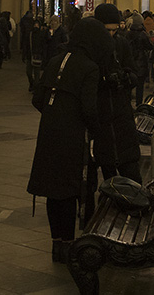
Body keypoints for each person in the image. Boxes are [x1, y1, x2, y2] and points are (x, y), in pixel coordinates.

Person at [27, 16, 102, 263]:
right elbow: (90, 109)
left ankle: (56, 243)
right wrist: (94, 130)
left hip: (49, 131)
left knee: (52, 189)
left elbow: (38, 98)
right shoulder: (90, 67)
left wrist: (54, 114)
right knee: (68, 190)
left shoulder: (56, 60)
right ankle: (68, 244)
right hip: (72, 135)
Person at [92, 3, 142, 182]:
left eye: (114, 30)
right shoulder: (92, 49)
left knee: (131, 173)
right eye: (107, 30)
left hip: (122, 113)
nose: (111, 34)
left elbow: (134, 71)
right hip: (102, 114)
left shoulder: (121, 44)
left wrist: (127, 77)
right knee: (108, 173)